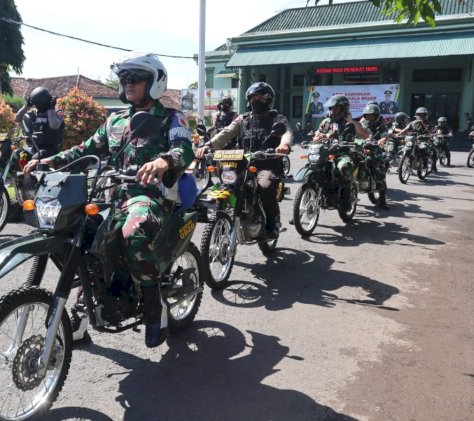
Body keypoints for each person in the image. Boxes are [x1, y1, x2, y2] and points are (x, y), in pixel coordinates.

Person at [23, 52, 193, 348]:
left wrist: (163, 162)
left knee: (135, 235)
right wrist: (51, 161)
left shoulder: (170, 118)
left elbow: (183, 149)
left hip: (148, 196)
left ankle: (154, 307)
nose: (127, 84)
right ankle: (83, 309)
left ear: (153, 83)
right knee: (80, 238)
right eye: (124, 78)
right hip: (110, 196)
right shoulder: (115, 120)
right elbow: (86, 149)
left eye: (135, 78)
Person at [194, 82, 292, 239]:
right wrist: (208, 145)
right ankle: (227, 215)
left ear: (268, 100)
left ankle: (272, 222)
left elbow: (286, 133)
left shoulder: (276, 118)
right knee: (229, 183)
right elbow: (226, 133)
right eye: (253, 97)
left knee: (265, 186)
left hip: (268, 163)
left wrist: (284, 144)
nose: (255, 100)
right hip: (244, 162)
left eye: (259, 97)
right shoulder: (243, 119)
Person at [312, 94, 370, 206]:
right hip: (325, 152)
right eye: (331, 108)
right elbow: (315, 137)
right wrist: (321, 137)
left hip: (343, 153)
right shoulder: (326, 122)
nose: (333, 111)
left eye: (336, 108)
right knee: (314, 168)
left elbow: (365, 135)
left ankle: (345, 199)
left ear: (344, 109)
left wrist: (352, 121)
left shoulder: (350, 123)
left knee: (344, 167)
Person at [14, 87, 65, 159]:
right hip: (35, 148)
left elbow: (53, 125)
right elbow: (17, 119)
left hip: (51, 150)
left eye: (38, 104)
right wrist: (27, 106)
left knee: (35, 158)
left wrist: (51, 109)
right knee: (17, 155)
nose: (37, 107)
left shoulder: (58, 113)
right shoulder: (35, 113)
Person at [360, 104, 389, 210]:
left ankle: (382, 201)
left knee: (379, 172)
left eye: (371, 116)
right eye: (367, 116)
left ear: (376, 116)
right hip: (361, 149)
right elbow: (355, 133)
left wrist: (382, 140)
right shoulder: (362, 124)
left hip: (374, 150)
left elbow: (385, 135)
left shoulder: (380, 125)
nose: (369, 118)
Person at [397, 107, 437, 171]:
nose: (421, 116)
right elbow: (406, 129)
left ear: (425, 115)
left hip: (423, 139)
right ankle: (402, 165)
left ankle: (424, 163)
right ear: (417, 115)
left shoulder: (429, 123)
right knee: (405, 147)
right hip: (413, 139)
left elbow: (430, 131)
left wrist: (422, 123)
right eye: (419, 115)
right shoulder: (413, 123)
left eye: (422, 115)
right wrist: (399, 133)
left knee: (423, 148)